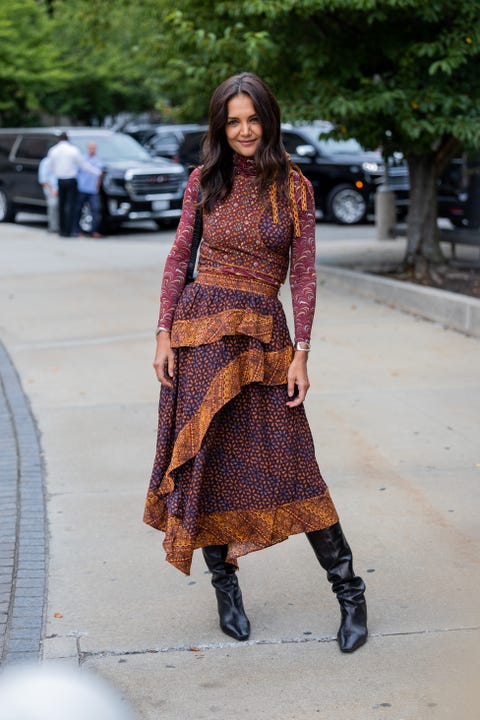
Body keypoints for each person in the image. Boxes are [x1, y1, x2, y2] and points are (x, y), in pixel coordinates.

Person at [144, 72, 368, 654]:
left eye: (253, 118)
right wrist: (164, 332)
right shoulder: (204, 180)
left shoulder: (293, 187)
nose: (244, 130)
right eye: (233, 120)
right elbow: (178, 257)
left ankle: (349, 591)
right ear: (221, 125)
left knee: (294, 463)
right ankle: (225, 586)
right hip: (200, 335)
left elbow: (306, 275)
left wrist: (303, 353)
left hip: (265, 341)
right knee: (210, 464)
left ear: (268, 120)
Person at [47, 132, 101, 237]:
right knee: (71, 206)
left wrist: (56, 174)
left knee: (61, 205)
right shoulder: (73, 150)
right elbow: (83, 165)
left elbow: (50, 167)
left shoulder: (53, 150)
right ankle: (70, 230)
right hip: (71, 180)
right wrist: (97, 172)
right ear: (68, 139)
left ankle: (62, 231)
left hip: (60, 180)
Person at [75, 141, 104, 238]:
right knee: (78, 210)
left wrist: (98, 185)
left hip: (93, 190)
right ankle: (78, 230)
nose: (92, 150)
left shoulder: (98, 161)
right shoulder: (82, 160)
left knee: (95, 209)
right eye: (90, 148)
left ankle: (94, 231)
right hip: (82, 188)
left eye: (94, 148)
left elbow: (100, 175)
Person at [38, 155, 59, 233]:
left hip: (62, 189)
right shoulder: (45, 162)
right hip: (51, 189)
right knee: (53, 205)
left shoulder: (61, 161)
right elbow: (43, 179)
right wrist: (53, 190)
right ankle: (53, 227)